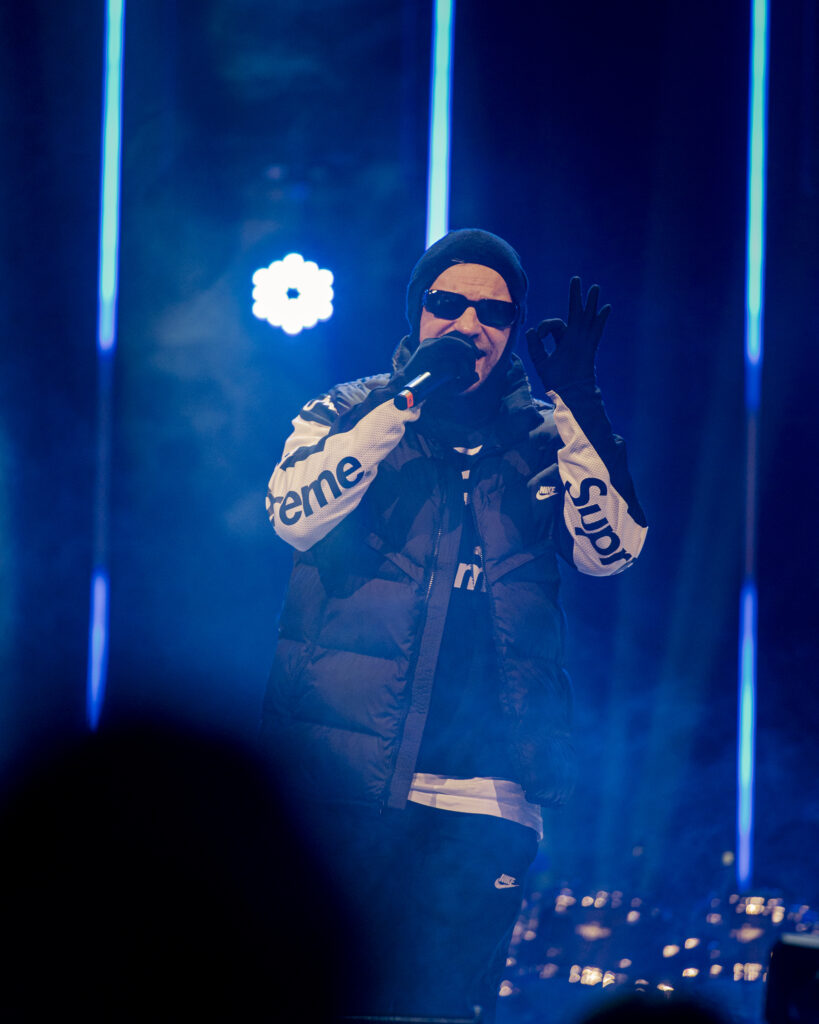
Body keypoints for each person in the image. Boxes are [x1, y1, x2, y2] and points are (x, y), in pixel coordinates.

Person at [261, 228, 647, 1020]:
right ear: (418, 312)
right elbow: (293, 516)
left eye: (493, 313)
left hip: (487, 794)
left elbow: (611, 552)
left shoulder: (544, 436)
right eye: (448, 304)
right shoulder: (347, 410)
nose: (469, 325)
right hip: (342, 781)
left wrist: (579, 407)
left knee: (440, 1009)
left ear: (511, 331)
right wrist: (402, 402)